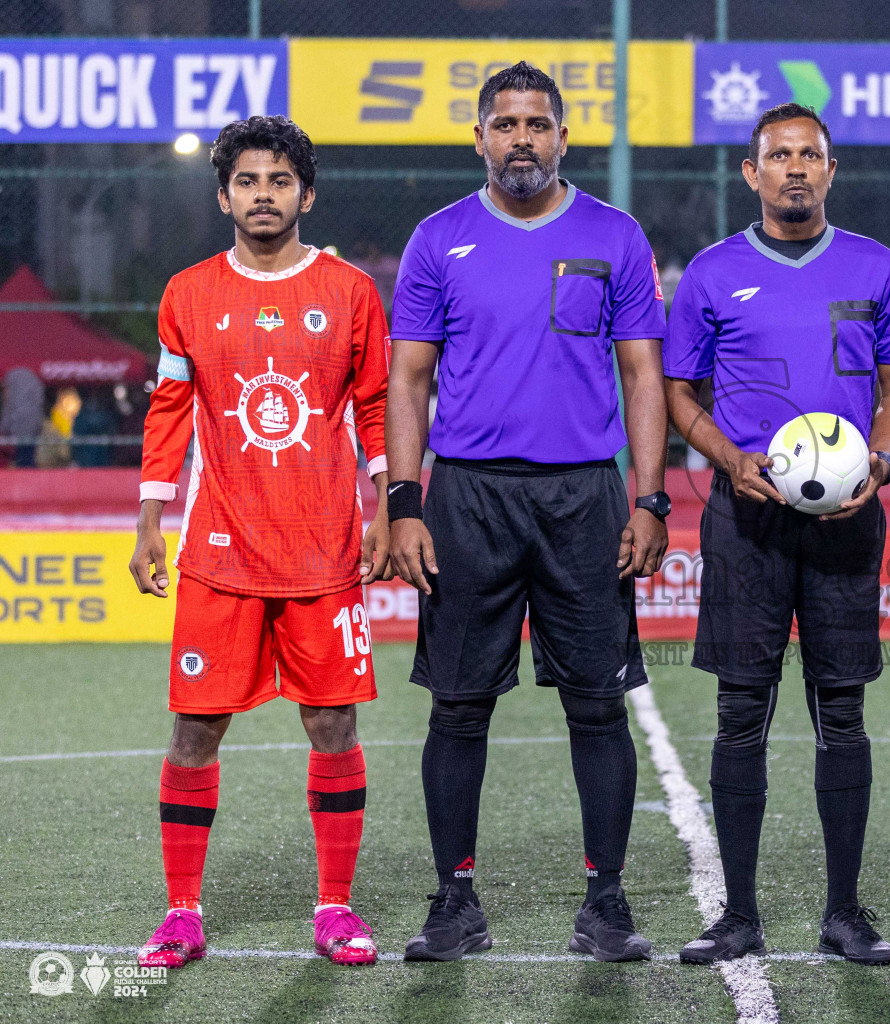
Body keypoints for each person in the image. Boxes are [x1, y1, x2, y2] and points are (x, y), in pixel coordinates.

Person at [387, 63, 669, 964]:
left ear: (561, 135)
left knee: (598, 704)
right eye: (503, 124)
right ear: (478, 138)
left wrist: (652, 496)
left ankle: (607, 902)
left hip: (583, 494)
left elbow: (641, 376)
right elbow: (408, 378)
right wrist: (403, 502)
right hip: (466, 495)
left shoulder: (615, 235)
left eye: (536, 124)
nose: (520, 139)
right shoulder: (439, 239)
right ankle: (454, 901)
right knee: (459, 708)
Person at [129, 115, 392, 969]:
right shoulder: (187, 295)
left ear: (305, 193)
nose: (264, 194)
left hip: (322, 547)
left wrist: (387, 505)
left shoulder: (351, 292)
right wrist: (148, 521)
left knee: (333, 725)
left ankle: (336, 909)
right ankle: (180, 912)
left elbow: (376, 407)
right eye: (248, 181)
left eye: (280, 180)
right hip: (219, 552)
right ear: (223, 195)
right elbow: (168, 413)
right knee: (194, 732)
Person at [663, 102, 890, 965]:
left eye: (811, 154)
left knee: (840, 712)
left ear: (832, 170)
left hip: (850, 522)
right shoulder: (710, 273)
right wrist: (729, 458)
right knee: (742, 712)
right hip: (748, 520)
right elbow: (679, 397)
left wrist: (879, 464)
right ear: (752, 173)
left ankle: (844, 913)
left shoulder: (878, 267)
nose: (796, 168)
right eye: (779, 156)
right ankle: (738, 914)